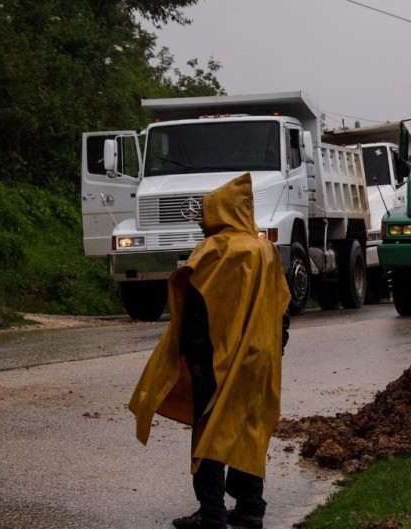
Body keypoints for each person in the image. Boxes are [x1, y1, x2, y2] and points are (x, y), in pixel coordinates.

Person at [129, 173, 291, 529]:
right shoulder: (265, 249)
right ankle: (250, 509)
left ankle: (211, 512)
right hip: (261, 359)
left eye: (206, 213)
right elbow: (281, 304)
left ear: (219, 213)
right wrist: (277, 344)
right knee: (249, 429)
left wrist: (194, 357)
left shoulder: (215, 250)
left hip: (219, 360)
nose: (202, 222)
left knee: (210, 429)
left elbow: (196, 309)